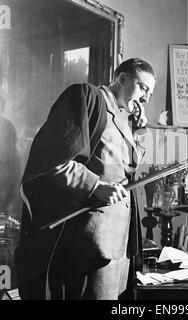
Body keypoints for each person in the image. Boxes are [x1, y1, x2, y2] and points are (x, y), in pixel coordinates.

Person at [15, 58, 156, 300]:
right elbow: (53, 161)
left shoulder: (125, 118)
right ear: (121, 79)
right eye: (142, 87)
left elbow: (126, 170)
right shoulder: (87, 97)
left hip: (118, 247)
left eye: (150, 93)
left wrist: (138, 131)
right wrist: (95, 186)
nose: (145, 99)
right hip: (88, 243)